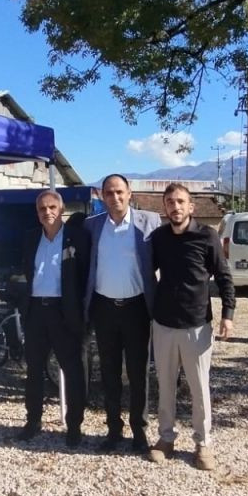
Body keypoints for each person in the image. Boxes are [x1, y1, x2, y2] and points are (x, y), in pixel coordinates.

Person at [147, 183, 235, 471]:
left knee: (199, 389)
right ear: (165, 208)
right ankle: (166, 439)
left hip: (197, 325)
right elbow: (148, 273)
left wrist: (228, 314)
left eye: (181, 201)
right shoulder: (158, 238)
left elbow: (223, 277)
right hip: (164, 325)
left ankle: (203, 444)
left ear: (191, 207)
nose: (176, 207)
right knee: (166, 385)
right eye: (170, 202)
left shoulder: (207, 237)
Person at [83, 174, 160, 452]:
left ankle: (140, 432)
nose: (114, 198)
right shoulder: (92, 226)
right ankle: (113, 430)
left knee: (139, 373)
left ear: (129, 193)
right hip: (104, 308)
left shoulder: (149, 223)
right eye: (108, 193)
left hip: (137, 308)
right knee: (109, 372)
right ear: (101, 196)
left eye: (119, 192)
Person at [16, 190, 90, 447]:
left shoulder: (77, 237)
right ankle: (33, 420)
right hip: (36, 310)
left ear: (61, 209)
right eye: (42, 209)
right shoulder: (30, 238)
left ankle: (74, 426)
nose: (47, 212)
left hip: (64, 310)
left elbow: (84, 274)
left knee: (72, 370)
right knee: (34, 369)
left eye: (51, 207)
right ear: (37, 213)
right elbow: (27, 270)